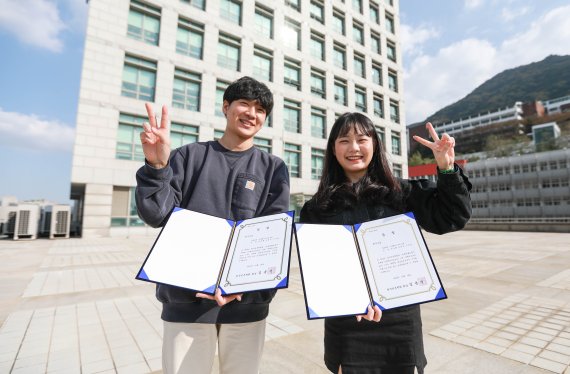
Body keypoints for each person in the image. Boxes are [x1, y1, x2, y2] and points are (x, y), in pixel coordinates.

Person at [135, 76, 290, 374]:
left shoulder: (273, 168)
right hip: (186, 302)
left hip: (246, 307)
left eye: (260, 109)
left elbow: (272, 239)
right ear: (226, 107)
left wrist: (246, 289)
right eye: (244, 103)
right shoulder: (187, 157)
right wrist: (157, 167)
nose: (251, 113)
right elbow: (156, 214)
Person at [299, 112, 472, 374]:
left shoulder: (401, 193)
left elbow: (450, 217)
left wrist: (447, 169)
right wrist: (349, 301)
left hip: (399, 323)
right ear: (333, 149)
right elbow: (319, 271)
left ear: (375, 145)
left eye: (362, 139)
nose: (354, 148)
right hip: (347, 326)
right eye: (344, 140)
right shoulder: (318, 208)